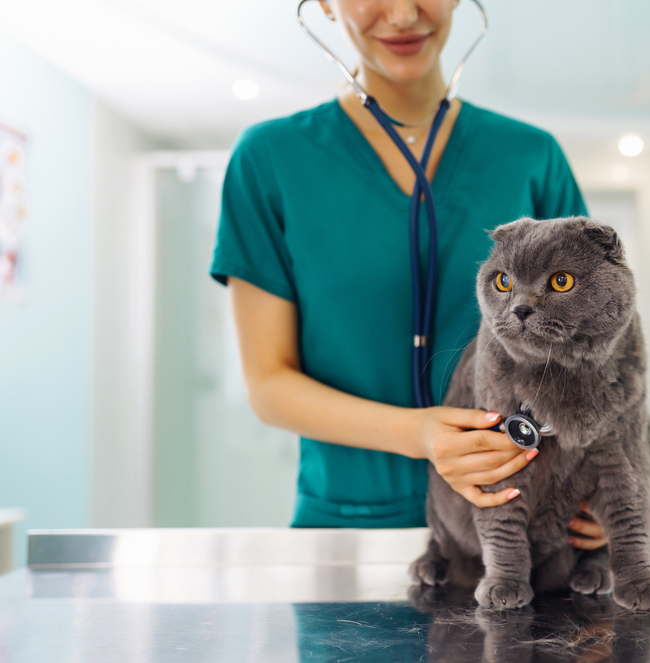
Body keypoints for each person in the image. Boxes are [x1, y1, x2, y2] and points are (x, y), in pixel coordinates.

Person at [210, 0, 606, 549]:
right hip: (351, 534)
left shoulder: (532, 157)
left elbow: (592, 348)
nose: (401, 14)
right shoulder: (270, 159)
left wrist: (597, 479)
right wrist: (419, 433)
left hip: (523, 531)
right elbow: (269, 385)